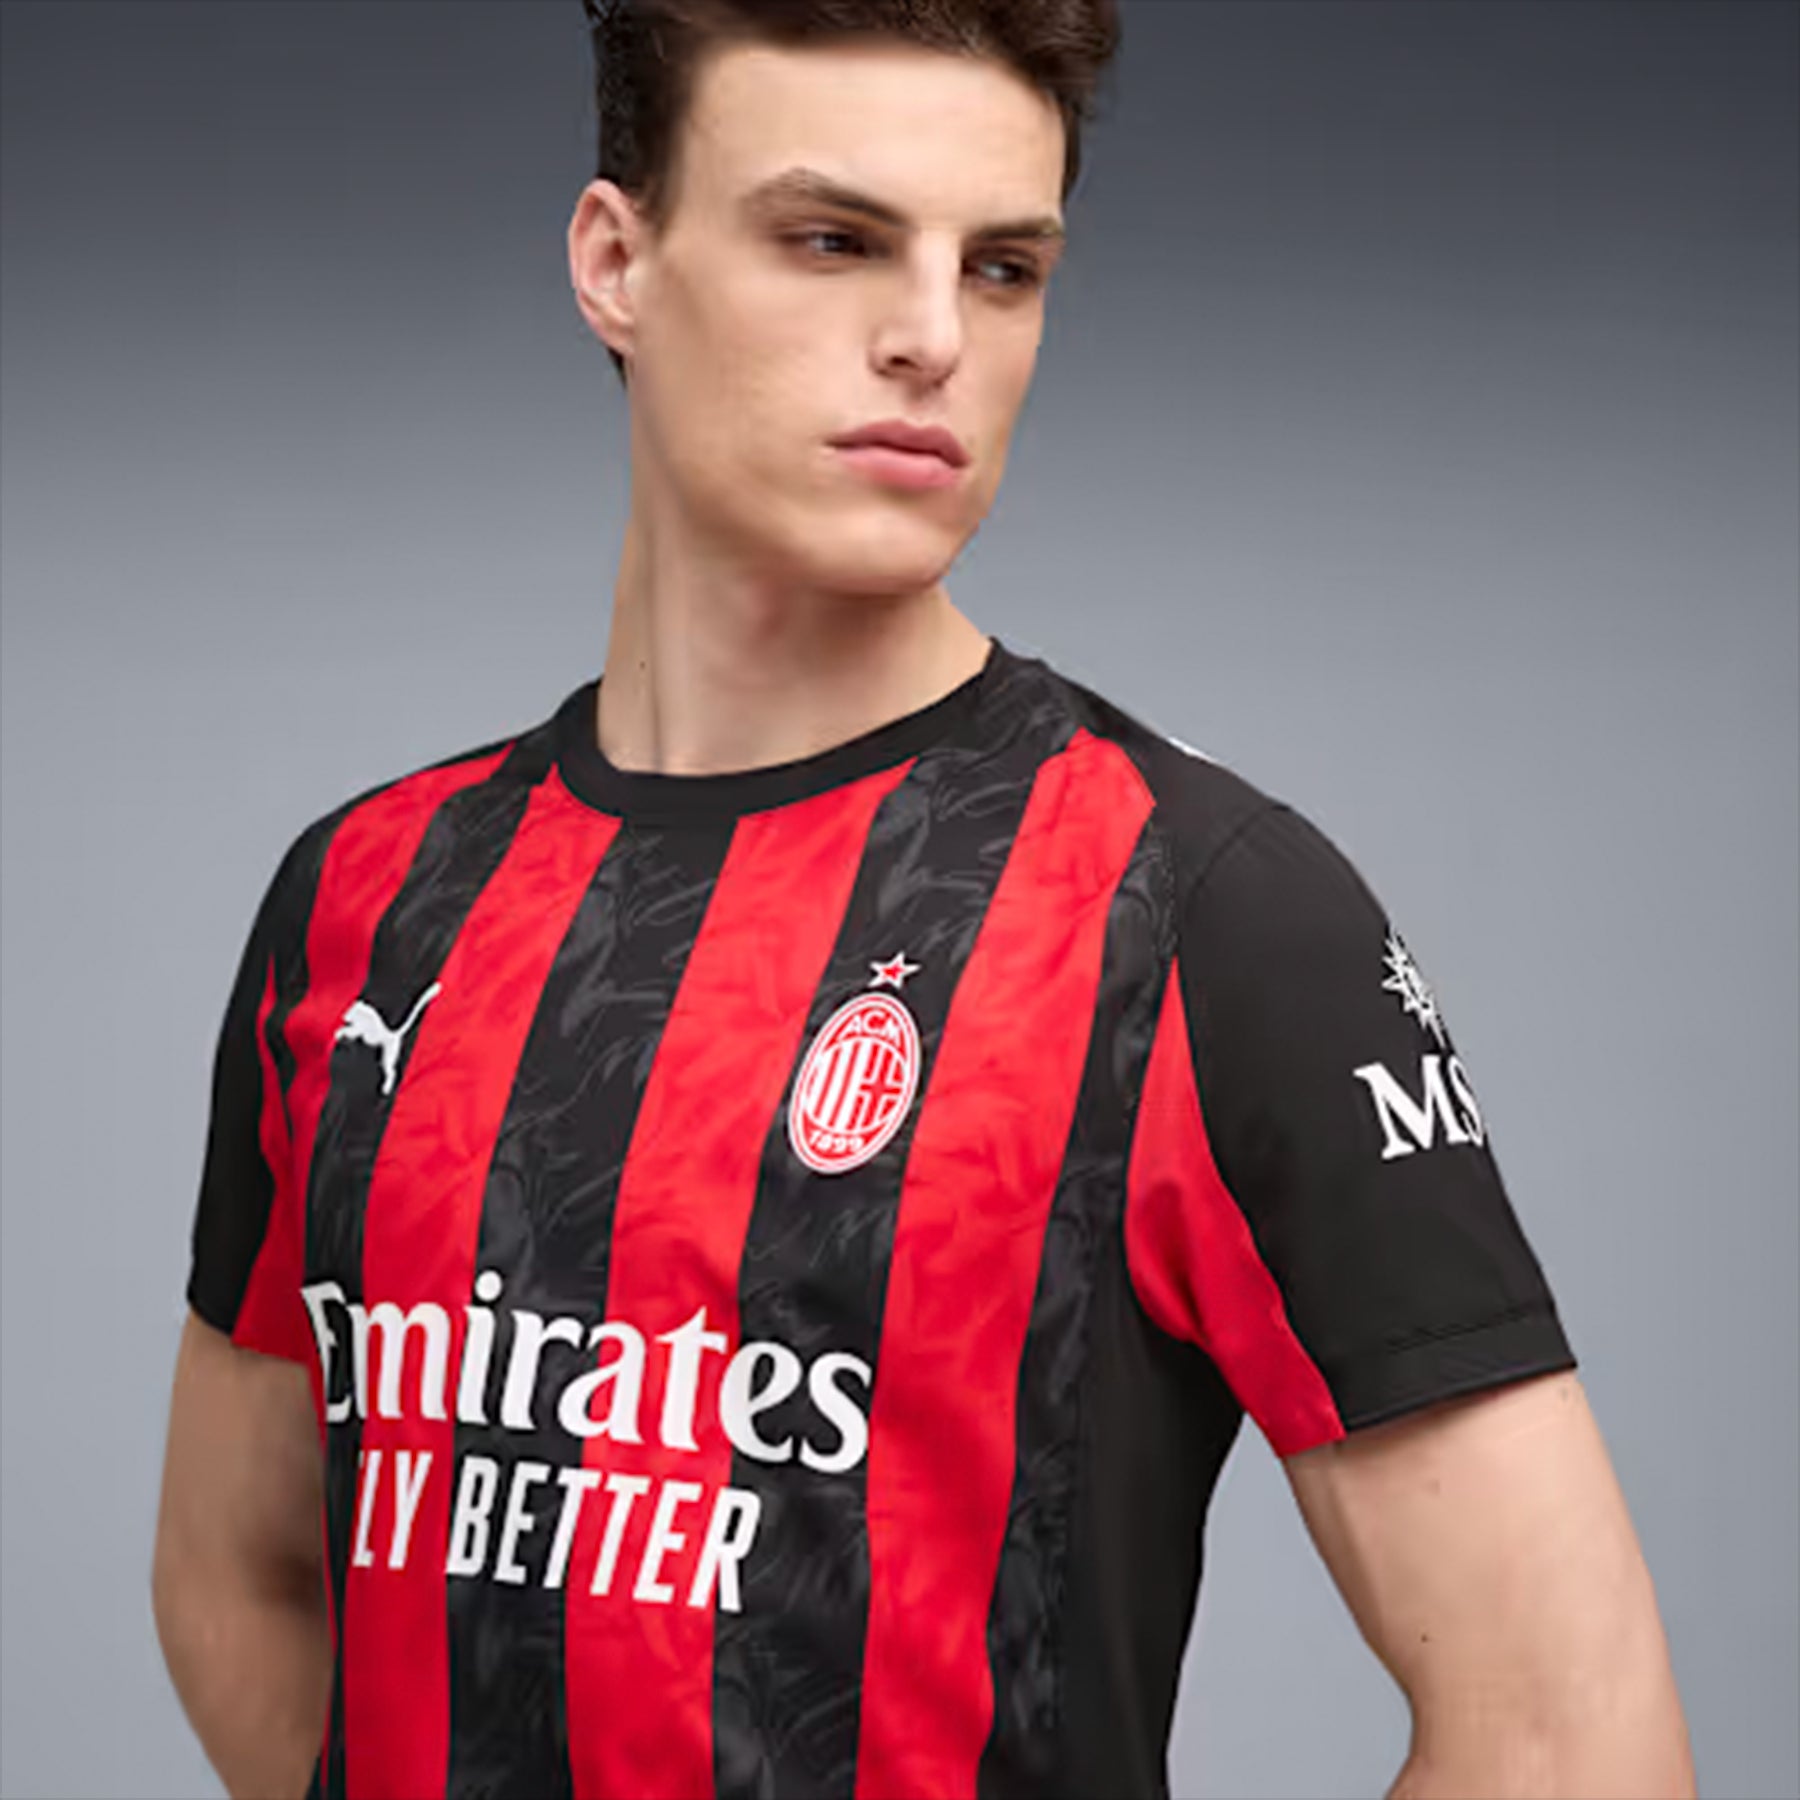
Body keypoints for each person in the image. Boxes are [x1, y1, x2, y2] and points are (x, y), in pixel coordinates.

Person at [150, 2, 1697, 1796]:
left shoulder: (1201, 915)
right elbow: (236, 1579)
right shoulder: (368, 895)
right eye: (835, 240)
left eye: (1005, 268)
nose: (934, 338)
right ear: (617, 264)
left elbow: (1572, 1728)